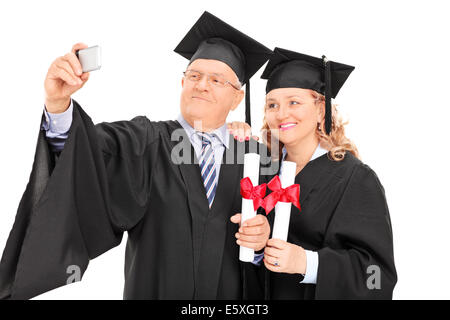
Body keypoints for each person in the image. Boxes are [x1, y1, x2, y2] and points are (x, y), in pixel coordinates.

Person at [0, 11, 273, 300]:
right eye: (194, 75)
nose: (201, 84)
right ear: (183, 84)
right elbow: (86, 153)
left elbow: (276, 252)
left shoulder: (255, 157)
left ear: (237, 98)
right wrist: (58, 104)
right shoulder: (145, 141)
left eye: (217, 80)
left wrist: (259, 245)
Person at [235, 47, 397, 299]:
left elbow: (377, 275)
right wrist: (256, 246)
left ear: (321, 111)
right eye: (272, 105)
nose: (281, 114)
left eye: (294, 102)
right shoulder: (264, 173)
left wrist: (307, 263)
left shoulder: (354, 178)